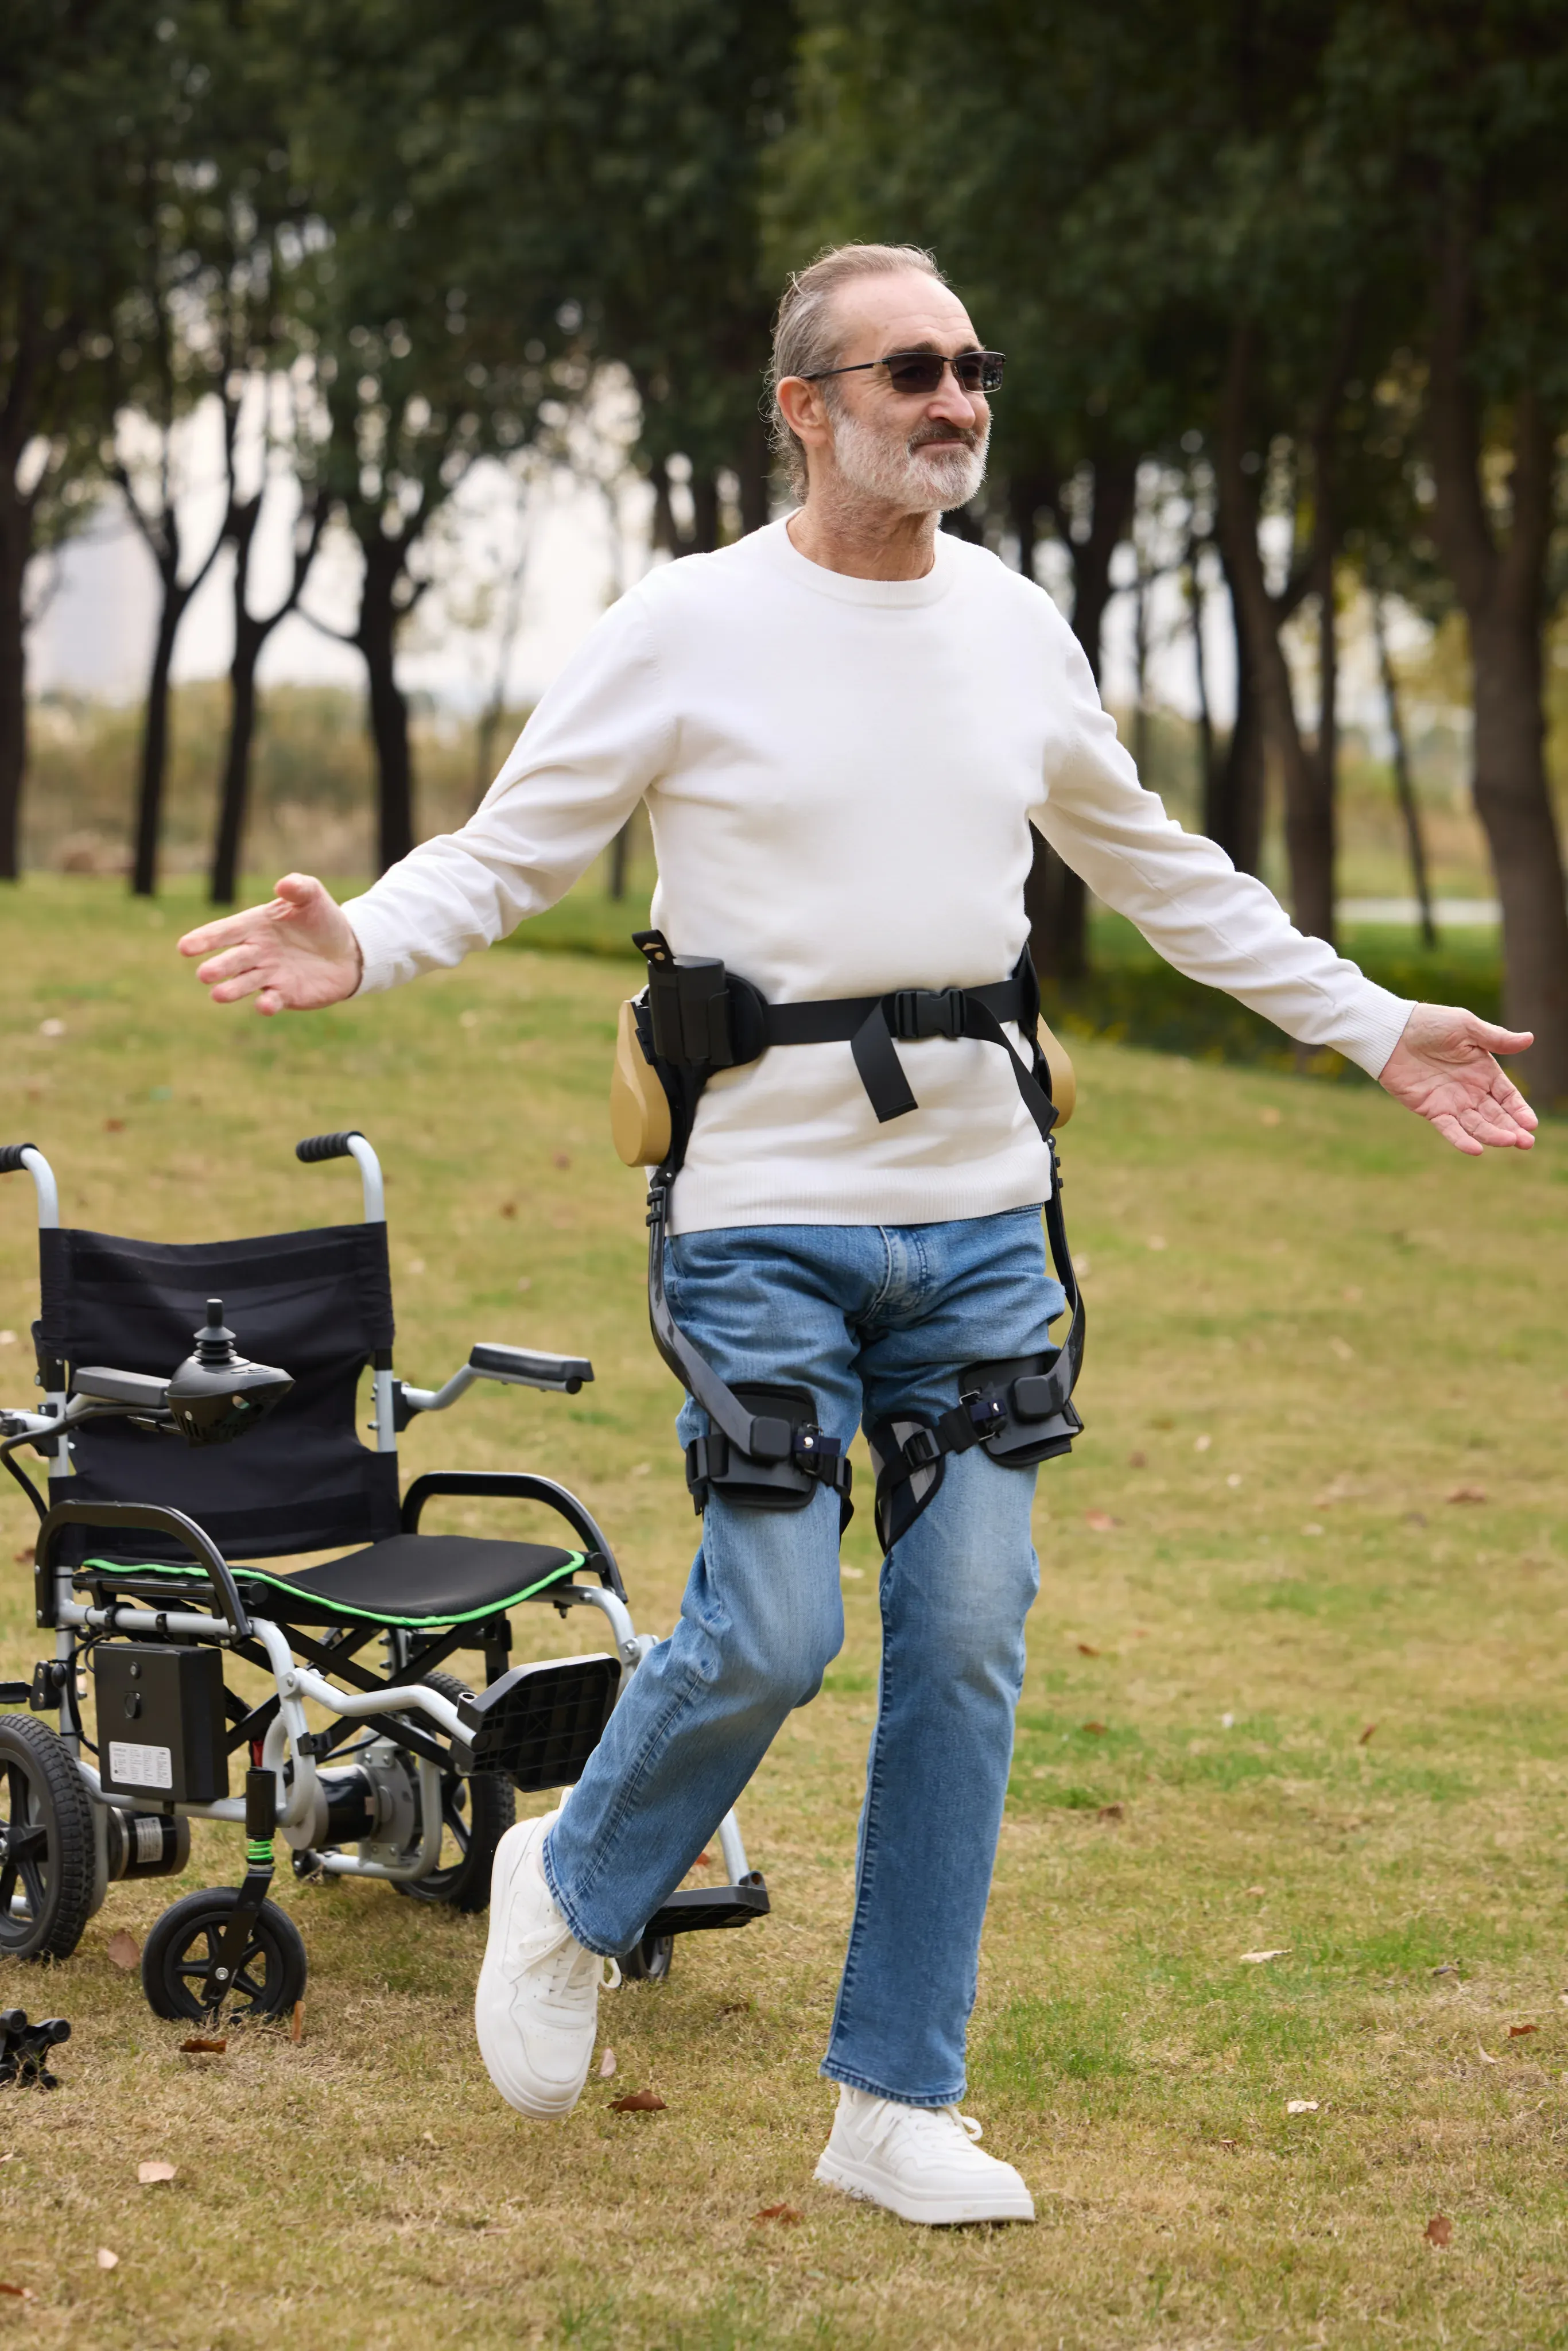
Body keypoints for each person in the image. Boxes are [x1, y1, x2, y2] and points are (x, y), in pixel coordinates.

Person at [179, 242, 1535, 2227]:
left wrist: (1375, 1024)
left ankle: (894, 2099)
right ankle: (570, 1880)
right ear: (804, 405)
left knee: (968, 1640)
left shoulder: (1015, 635)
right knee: (780, 1631)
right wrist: (363, 937)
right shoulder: (686, 627)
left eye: (972, 364)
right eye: (908, 368)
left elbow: (1166, 872)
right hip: (760, 1225)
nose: (955, 397)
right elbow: (513, 845)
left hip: (985, 1218)